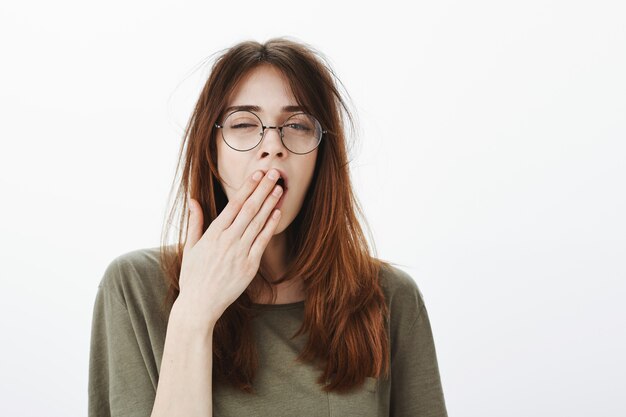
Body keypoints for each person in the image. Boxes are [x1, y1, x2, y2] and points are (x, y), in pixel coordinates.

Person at [88, 37, 448, 417]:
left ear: (321, 156)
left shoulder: (390, 298)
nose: (273, 145)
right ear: (211, 152)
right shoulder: (133, 288)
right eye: (244, 123)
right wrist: (193, 314)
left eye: (297, 125)